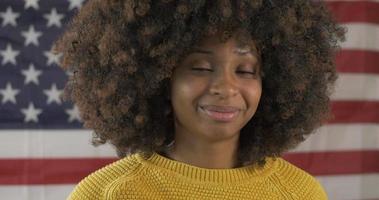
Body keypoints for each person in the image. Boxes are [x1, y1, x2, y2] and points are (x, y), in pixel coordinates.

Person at [54, 0, 345, 199]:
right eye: (201, 68)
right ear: (159, 77)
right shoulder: (107, 193)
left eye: (245, 70)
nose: (226, 87)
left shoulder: (299, 193)